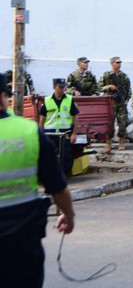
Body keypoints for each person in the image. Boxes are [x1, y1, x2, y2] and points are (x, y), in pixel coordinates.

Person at [0, 72, 75, 287]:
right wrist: (68, 215)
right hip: (21, 243)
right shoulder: (28, 132)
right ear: (3, 97)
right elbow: (57, 186)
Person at [38, 78, 80, 177]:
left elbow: (75, 117)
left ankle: (64, 176)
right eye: (60, 87)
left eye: (63, 87)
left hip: (64, 133)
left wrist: (74, 133)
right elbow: (42, 118)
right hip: (50, 133)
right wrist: (40, 133)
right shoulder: (47, 100)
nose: (62, 89)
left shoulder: (69, 100)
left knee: (66, 156)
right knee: (49, 156)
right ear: (54, 87)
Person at [98, 57, 131, 152]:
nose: (119, 64)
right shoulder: (107, 75)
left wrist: (127, 98)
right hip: (110, 103)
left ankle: (122, 141)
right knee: (109, 124)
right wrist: (108, 87)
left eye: (120, 62)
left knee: (123, 123)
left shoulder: (124, 76)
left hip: (121, 103)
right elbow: (99, 87)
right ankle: (108, 143)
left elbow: (128, 89)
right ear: (112, 63)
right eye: (117, 63)